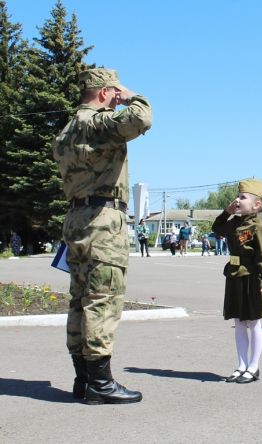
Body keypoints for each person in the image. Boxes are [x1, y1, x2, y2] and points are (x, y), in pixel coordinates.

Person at [52, 68, 152, 404]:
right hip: (102, 219)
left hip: (76, 217)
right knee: (103, 299)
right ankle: (100, 383)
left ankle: (83, 378)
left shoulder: (67, 130)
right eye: (113, 91)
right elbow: (141, 119)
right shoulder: (99, 123)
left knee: (81, 298)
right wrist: (131, 95)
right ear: (105, 93)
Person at [212, 179, 262, 384]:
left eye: (242, 197)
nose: (237, 200)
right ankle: (241, 364)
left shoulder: (257, 226)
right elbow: (217, 228)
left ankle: (254, 367)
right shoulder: (234, 223)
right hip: (234, 275)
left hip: (251, 278)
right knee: (238, 322)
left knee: (253, 322)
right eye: (238, 196)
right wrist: (227, 212)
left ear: (256, 205)